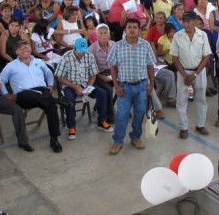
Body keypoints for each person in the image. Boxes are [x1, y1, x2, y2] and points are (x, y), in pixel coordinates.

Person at [0, 40, 70, 153]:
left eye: (26, 47)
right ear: (17, 52)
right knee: (41, 98)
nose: (24, 50)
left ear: (30, 48)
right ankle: (56, 100)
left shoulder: (39, 61)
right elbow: (1, 80)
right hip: (24, 95)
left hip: (42, 92)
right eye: (21, 48)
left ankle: (54, 139)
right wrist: (6, 93)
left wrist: (50, 85)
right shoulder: (11, 66)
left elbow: (48, 73)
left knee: (51, 107)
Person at [107, 19, 156, 155]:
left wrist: (151, 84)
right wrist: (116, 85)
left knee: (139, 114)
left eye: (135, 27)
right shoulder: (117, 46)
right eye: (130, 27)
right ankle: (118, 141)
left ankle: (135, 137)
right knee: (122, 115)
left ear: (139, 30)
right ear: (125, 30)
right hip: (124, 87)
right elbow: (112, 66)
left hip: (142, 86)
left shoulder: (145, 45)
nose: (132, 30)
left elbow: (150, 66)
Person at [56, 38, 114, 140]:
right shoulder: (66, 57)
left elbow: (93, 75)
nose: (81, 55)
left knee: (103, 93)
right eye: (79, 52)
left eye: (83, 52)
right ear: (74, 48)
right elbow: (60, 78)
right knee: (69, 100)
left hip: (85, 84)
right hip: (70, 85)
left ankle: (102, 121)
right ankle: (71, 127)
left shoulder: (89, 56)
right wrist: (76, 87)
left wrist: (88, 87)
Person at [171, 11, 212, 139]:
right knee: (182, 100)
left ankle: (200, 125)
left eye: (189, 21)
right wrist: (184, 75)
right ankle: (183, 127)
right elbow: (174, 58)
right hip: (183, 71)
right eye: (184, 21)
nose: (186, 23)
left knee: (201, 99)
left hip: (198, 72)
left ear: (195, 22)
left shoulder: (202, 35)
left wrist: (194, 75)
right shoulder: (178, 36)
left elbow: (206, 57)